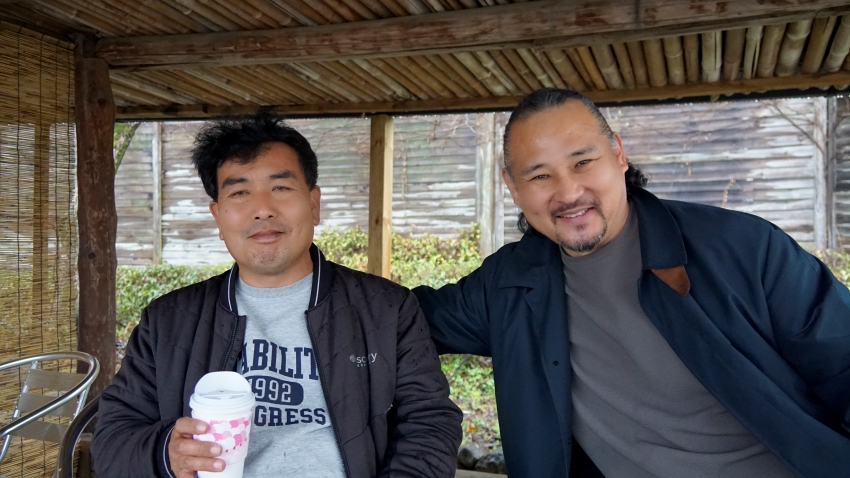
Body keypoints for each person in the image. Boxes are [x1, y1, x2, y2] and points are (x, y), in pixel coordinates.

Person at [413, 88, 850, 478]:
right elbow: (396, 316)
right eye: (540, 175)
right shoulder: (507, 286)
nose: (568, 193)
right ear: (512, 185)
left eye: (583, 162)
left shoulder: (742, 249)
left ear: (618, 155)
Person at [93, 113, 462, 478]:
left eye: (281, 188)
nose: (263, 210)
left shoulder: (387, 309)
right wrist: (165, 453)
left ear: (314, 204)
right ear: (217, 216)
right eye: (239, 192)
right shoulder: (168, 322)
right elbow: (112, 441)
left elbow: (430, 423)